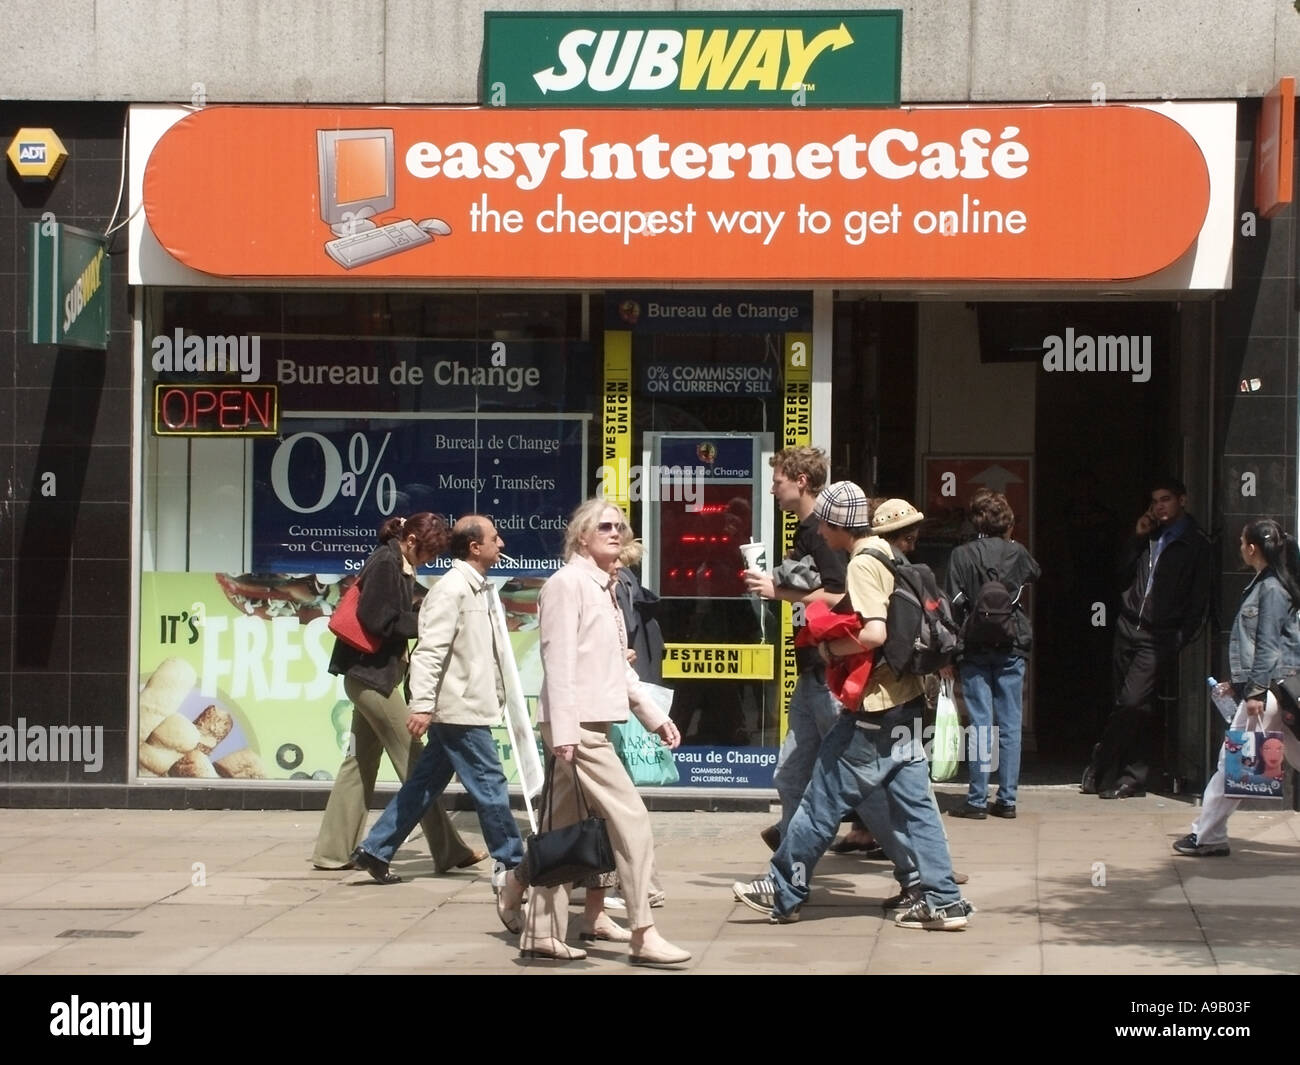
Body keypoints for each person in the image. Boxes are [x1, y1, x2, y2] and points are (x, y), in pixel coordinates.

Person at [732, 488, 969, 930]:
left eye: (825, 524)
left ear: (842, 526)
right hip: (909, 701)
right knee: (917, 805)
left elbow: (875, 633)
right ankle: (944, 899)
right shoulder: (889, 554)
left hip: (875, 708)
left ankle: (783, 890)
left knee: (821, 797)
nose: (820, 530)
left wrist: (829, 650)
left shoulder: (862, 563)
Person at [519, 499, 691, 965]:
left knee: (561, 831)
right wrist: (566, 732)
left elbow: (616, 666)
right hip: (579, 730)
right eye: (605, 526)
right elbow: (558, 663)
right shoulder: (567, 585)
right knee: (631, 823)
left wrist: (655, 716)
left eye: (620, 526)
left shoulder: (605, 587)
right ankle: (643, 933)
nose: (616, 532)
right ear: (581, 536)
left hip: (588, 724)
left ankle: (534, 921)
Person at [347, 516, 528, 929]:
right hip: (458, 709)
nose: (501, 542)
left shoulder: (476, 587)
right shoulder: (451, 590)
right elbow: (430, 650)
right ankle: (512, 864)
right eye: (494, 537)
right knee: (490, 785)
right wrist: (424, 705)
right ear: (474, 547)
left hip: (465, 705)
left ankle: (376, 849)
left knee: (424, 785)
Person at [311, 514, 484, 874]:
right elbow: (376, 620)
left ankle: (332, 852)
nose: (427, 561)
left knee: (359, 765)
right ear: (409, 541)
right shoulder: (388, 563)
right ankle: (448, 849)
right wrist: (426, 620)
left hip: (367, 677)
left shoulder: (394, 560)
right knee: (415, 762)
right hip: (374, 679)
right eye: (426, 553)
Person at [742, 447, 848, 853]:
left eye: (778, 481)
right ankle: (791, 859)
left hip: (829, 668)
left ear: (800, 481)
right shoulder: (804, 530)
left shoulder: (822, 530)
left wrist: (777, 590)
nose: (772, 488)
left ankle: (921, 869)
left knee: (858, 779)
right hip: (811, 667)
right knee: (790, 775)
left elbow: (840, 594)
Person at [1174, 519, 1300, 856]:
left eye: (1241, 542)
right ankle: (1209, 835)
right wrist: (1239, 683)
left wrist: (1254, 691)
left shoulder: (1271, 588)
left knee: (1232, 766)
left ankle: (1208, 836)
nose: (1239, 548)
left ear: (1252, 548)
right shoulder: (1265, 584)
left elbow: (1269, 645)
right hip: (1272, 690)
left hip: (1268, 693)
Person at [1083, 478, 1212, 799]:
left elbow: (1199, 599)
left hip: (1160, 635)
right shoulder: (1149, 537)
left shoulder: (1195, 544)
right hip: (1128, 626)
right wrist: (1137, 537)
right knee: (1131, 705)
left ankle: (1103, 763)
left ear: (1182, 500)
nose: (1159, 506)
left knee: (1131, 701)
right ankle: (1132, 775)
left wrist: (1180, 636)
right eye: (1155, 501)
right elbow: (1120, 572)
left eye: (1166, 499)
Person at [944, 490, 1041, 818]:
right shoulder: (1018, 552)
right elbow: (1035, 575)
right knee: (1011, 721)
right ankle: (1008, 799)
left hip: (973, 646)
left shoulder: (962, 554)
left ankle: (976, 799)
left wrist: (949, 650)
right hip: (1012, 644)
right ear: (1008, 522)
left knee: (981, 722)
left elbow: (952, 603)